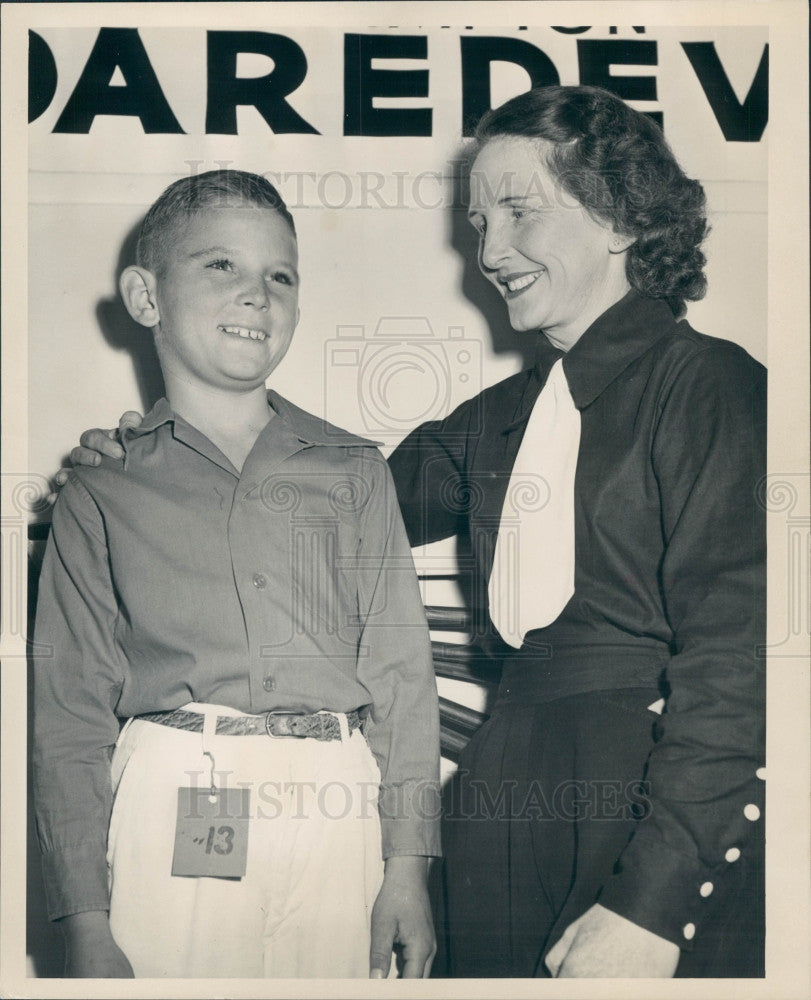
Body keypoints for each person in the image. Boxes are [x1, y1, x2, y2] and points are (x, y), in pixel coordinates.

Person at [66, 85, 766, 979]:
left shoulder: (710, 384)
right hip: (493, 810)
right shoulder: (497, 418)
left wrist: (652, 907)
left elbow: (738, 665)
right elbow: (306, 504)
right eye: (479, 222)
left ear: (619, 215)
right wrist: (144, 455)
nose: (490, 251)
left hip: (635, 813)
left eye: (519, 210)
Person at [33, 169, 440, 979]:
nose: (257, 295)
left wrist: (407, 866)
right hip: (173, 787)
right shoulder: (101, 486)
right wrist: (83, 915)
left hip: (337, 798)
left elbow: (402, 678)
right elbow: (70, 715)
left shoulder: (353, 469)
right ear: (145, 297)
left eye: (280, 276)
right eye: (221, 266)